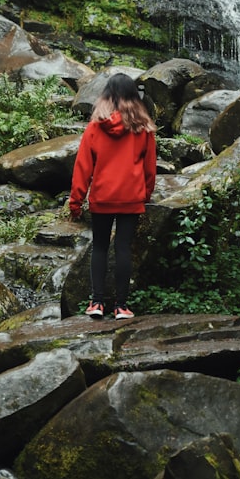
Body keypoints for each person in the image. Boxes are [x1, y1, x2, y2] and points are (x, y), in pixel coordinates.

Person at [69, 73, 157, 320]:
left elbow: (83, 167)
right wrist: (146, 195)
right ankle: (121, 307)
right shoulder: (144, 128)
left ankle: (96, 303)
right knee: (123, 249)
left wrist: (75, 201)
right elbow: (150, 168)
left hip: (102, 196)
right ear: (134, 97)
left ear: (106, 95)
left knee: (99, 247)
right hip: (131, 197)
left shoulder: (96, 127)